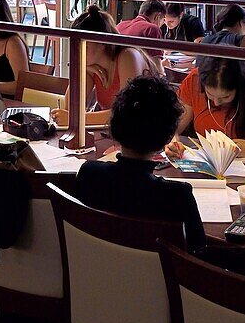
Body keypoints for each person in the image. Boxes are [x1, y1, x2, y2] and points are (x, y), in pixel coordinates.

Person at [75, 74, 205, 251]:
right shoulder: (177, 196)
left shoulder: (89, 173)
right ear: (167, 137)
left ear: (114, 126)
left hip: (94, 274)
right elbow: (198, 252)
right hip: (159, 278)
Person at [54, 5, 152, 128]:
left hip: (147, 134)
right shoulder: (91, 65)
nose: (78, 51)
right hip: (119, 135)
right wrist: (81, 69)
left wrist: (75, 118)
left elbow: (125, 113)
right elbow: (70, 108)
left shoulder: (128, 57)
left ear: (102, 43)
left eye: (84, 45)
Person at [116, 0, 166, 71]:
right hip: (137, 76)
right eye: (163, 20)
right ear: (157, 16)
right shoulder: (152, 29)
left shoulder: (120, 25)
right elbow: (157, 68)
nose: (162, 25)